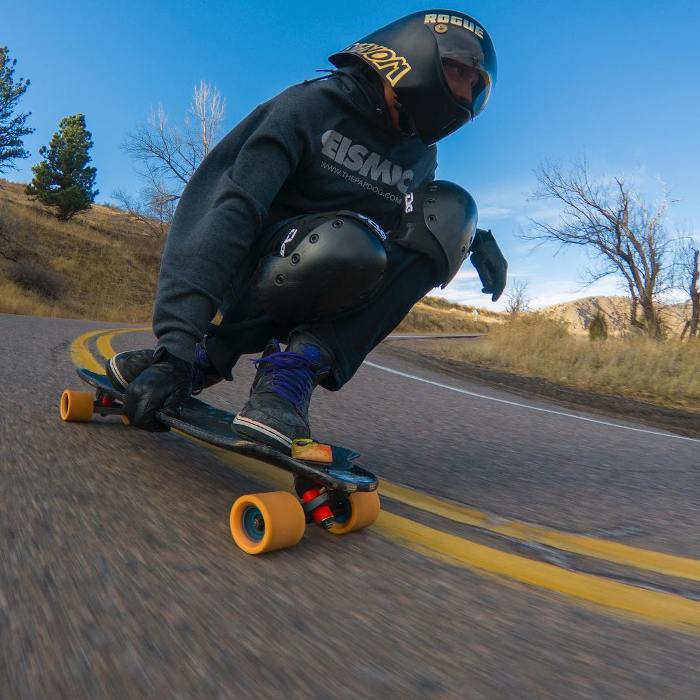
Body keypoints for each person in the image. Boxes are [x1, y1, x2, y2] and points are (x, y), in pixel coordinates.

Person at [107, 9, 507, 452]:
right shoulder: (310, 107)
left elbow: (414, 231)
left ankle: (293, 371)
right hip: (254, 271)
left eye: (475, 85)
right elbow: (228, 209)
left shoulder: (419, 157)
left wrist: (474, 240)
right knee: (344, 243)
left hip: (333, 272)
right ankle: (206, 354)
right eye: (458, 72)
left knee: (450, 211)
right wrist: (176, 347)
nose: (466, 93)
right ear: (412, 54)